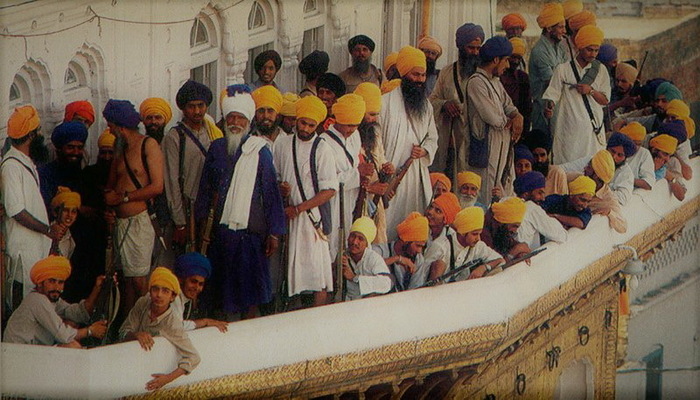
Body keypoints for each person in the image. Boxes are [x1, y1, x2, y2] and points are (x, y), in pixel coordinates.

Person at [195, 86, 286, 318]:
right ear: (225, 119)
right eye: (231, 117)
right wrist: (198, 224)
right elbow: (205, 189)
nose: (235, 122)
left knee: (250, 296)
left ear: (249, 121)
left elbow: (272, 194)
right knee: (220, 294)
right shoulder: (216, 148)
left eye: (241, 118)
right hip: (220, 235)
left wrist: (274, 233)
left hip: (250, 236)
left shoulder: (259, 151)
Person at [273, 95, 337, 307]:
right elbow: (277, 176)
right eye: (303, 123)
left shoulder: (323, 149)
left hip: (311, 220)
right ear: (296, 120)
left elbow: (329, 190)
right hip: (288, 218)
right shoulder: (282, 144)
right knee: (291, 273)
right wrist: (282, 189)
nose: (306, 129)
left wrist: (299, 208)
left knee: (318, 276)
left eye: (311, 125)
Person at [103, 99, 164, 316]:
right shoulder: (119, 149)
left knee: (139, 282)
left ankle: (152, 324)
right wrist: (110, 205)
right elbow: (110, 187)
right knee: (126, 283)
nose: (108, 130)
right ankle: (128, 330)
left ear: (119, 126)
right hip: (120, 225)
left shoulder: (148, 145)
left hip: (139, 224)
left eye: (110, 126)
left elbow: (157, 187)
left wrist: (125, 198)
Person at [380, 46, 439, 241]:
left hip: (415, 176)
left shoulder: (426, 106)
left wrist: (425, 151)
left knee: (413, 224)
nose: (420, 80)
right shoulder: (385, 104)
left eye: (423, 75)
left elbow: (433, 138)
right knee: (387, 225)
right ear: (405, 74)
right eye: (415, 74)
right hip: (391, 176)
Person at [1, 105, 59, 302]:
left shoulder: (25, 161)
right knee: (21, 305)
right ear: (31, 135)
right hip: (21, 251)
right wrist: (46, 229)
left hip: (34, 250)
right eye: (39, 131)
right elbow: (16, 210)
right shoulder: (11, 167)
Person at [119, 267, 200, 391]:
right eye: (155, 289)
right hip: (128, 363)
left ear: (172, 297)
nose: (159, 295)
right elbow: (122, 332)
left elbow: (194, 357)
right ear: (150, 291)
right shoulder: (143, 303)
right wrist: (135, 335)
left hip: (149, 370)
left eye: (165, 291)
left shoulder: (172, 323)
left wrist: (167, 379)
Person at [163, 80, 222, 251]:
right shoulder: (174, 138)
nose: (197, 111)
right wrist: (180, 222)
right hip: (189, 209)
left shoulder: (213, 133)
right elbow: (171, 181)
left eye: (201, 105)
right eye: (191, 106)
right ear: (183, 108)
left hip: (211, 207)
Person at [465, 36, 524, 204]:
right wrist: (512, 120)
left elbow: (509, 106)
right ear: (496, 60)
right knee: (482, 198)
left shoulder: (495, 82)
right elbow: (494, 118)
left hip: (502, 149)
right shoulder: (476, 82)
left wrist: (518, 116)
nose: (507, 66)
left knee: (499, 194)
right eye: (505, 61)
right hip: (485, 151)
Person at [3, 255, 107, 346]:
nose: (57, 287)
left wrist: (97, 288)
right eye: (52, 281)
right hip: (17, 355)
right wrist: (90, 331)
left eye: (60, 282)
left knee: (72, 323)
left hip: (31, 352)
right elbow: (63, 334)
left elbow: (79, 313)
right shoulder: (37, 300)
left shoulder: (53, 300)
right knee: (72, 345)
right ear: (40, 283)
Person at [543, 25, 610, 164]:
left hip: (592, 132)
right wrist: (549, 106)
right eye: (589, 50)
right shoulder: (562, 70)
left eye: (596, 50)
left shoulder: (601, 70)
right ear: (580, 47)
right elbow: (552, 95)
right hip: (568, 131)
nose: (593, 54)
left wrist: (591, 91)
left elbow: (605, 100)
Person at [429, 23, 485, 176]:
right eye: (470, 48)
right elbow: (432, 99)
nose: (474, 52)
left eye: (478, 48)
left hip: (474, 141)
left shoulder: (483, 75)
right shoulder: (447, 72)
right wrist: (445, 104)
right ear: (461, 47)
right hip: (449, 140)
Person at [321, 93, 368, 259]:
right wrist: (357, 174)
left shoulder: (355, 135)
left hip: (351, 200)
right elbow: (327, 182)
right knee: (330, 244)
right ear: (338, 119)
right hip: (333, 204)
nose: (351, 130)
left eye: (355, 125)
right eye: (348, 125)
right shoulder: (323, 143)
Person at [353, 82, 393, 244]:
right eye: (370, 114)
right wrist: (369, 188)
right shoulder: (349, 135)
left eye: (376, 114)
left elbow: (381, 159)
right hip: (355, 203)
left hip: (375, 202)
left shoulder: (374, 133)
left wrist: (388, 168)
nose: (374, 119)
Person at [427, 206, 503, 282]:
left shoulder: (477, 245)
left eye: (479, 234)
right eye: (474, 234)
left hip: (461, 289)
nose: (478, 238)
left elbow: (500, 260)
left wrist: (484, 267)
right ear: (463, 233)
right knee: (439, 265)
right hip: (437, 291)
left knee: (497, 270)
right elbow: (423, 276)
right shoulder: (440, 246)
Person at [560, 132, 636, 205]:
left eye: (620, 155)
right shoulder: (594, 160)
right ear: (607, 148)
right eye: (612, 151)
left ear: (625, 158)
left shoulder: (626, 174)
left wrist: (598, 191)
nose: (614, 157)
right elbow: (563, 169)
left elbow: (623, 198)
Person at [529, 3, 568, 139]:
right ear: (549, 28)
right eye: (561, 27)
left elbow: (566, 75)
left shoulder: (560, 48)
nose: (564, 31)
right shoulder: (540, 51)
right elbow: (552, 82)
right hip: (543, 110)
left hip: (558, 108)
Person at [171, 252, 228, 331]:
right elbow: (175, 328)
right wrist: (205, 321)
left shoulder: (183, 298)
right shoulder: (172, 296)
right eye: (193, 281)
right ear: (180, 279)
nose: (197, 288)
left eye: (201, 284)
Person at [373, 212, 430, 291]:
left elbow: (415, 292)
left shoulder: (418, 260)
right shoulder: (380, 250)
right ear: (405, 241)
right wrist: (396, 259)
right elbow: (368, 266)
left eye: (422, 247)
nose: (419, 251)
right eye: (417, 245)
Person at [38, 121, 88, 209]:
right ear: (59, 149)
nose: (76, 152)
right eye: (70, 147)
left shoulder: (85, 176)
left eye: (80, 148)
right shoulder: (44, 174)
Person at [342, 217, 392, 301]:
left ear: (367, 243)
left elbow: (386, 283)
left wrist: (354, 278)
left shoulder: (373, 258)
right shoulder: (343, 255)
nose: (354, 242)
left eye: (360, 239)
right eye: (352, 236)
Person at [514, 171, 567, 250]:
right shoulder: (530, 207)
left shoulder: (507, 201)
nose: (543, 198)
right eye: (540, 193)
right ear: (526, 194)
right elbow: (561, 235)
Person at [522, 131, 569, 196]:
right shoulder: (523, 171)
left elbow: (564, 200)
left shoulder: (557, 173)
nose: (539, 160)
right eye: (535, 155)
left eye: (542, 155)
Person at [501, 37, 532, 134]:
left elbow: (527, 107)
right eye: (513, 57)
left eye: (518, 58)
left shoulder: (523, 77)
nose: (515, 61)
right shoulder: (498, 75)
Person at [648, 134, 686, 201]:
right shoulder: (643, 158)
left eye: (669, 155)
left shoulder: (668, 165)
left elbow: (681, 196)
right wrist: (653, 169)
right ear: (654, 150)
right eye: (665, 154)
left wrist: (671, 178)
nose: (667, 159)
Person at [618, 122, 655, 190]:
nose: (635, 147)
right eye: (633, 143)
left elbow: (648, 184)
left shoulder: (644, 153)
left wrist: (626, 180)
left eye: (639, 144)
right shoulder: (616, 149)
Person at [48, 187, 80, 258]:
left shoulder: (71, 241)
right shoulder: (46, 232)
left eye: (73, 212)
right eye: (65, 210)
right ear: (55, 213)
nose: (69, 215)